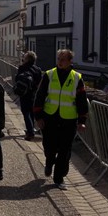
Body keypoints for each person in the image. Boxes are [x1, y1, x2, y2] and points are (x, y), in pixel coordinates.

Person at [34, 49, 88, 190]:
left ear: (70, 61)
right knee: (49, 147)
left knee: (65, 150)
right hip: (50, 117)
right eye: (58, 58)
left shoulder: (77, 77)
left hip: (68, 119)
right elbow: (40, 96)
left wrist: (82, 121)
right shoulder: (49, 75)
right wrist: (38, 117)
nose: (60, 62)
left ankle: (59, 178)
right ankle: (49, 161)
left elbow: (82, 100)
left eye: (63, 59)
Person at [16, 51, 42, 141]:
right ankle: (32, 129)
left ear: (27, 59)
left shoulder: (22, 68)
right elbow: (40, 82)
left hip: (24, 93)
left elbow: (17, 79)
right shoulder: (38, 69)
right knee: (31, 111)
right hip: (34, 94)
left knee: (26, 112)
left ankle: (30, 132)